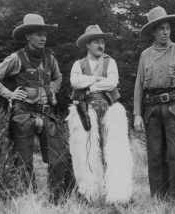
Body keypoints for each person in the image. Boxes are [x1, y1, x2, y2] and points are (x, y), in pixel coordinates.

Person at [0, 13, 74, 204]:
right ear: (27, 36)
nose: (43, 38)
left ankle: (56, 201)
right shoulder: (16, 58)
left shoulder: (51, 58)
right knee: (23, 162)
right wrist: (10, 94)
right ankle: (28, 201)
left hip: (46, 113)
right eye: (38, 34)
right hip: (23, 115)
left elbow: (58, 77)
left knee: (59, 157)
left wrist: (52, 91)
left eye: (45, 35)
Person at [66, 25, 133, 207]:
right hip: (87, 111)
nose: (100, 45)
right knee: (87, 151)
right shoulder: (78, 64)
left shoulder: (110, 62)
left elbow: (112, 83)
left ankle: (118, 195)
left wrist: (89, 85)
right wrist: (96, 80)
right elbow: (75, 82)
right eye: (96, 42)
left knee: (114, 150)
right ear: (88, 44)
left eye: (102, 41)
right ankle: (90, 194)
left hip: (108, 109)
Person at [133, 6, 175, 199]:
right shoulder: (145, 55)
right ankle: (158, 199)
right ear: (153, 31)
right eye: (160, 28)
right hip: (151, 111)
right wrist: (137, 114)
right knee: (154, 155)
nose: (165, 32)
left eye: (167, 27)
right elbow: (138, 87)